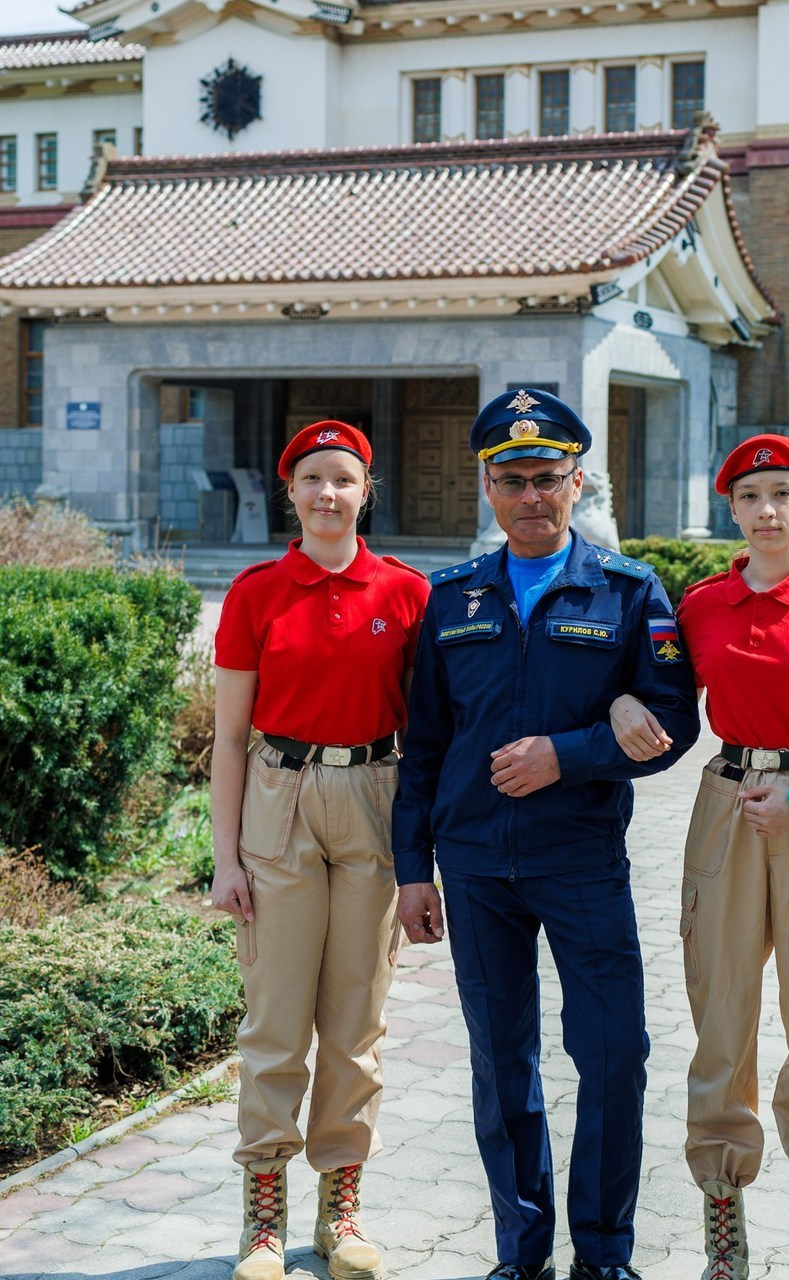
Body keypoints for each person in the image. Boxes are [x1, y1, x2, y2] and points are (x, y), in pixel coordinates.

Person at [392, 388, 701, 1280]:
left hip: (581, 859)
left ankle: (603, 1256)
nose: (532, 496)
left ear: (577, 483)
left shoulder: (628, 591)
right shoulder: (452, 598)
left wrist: (566, 755)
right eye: (513, 480)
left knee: (613, 1055)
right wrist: (413, 869)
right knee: (502, 1061)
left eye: (548, 479)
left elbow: (673, 721)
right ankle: (520, 1254)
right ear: (488, 488)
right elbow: (424, 745)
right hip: (475, 864)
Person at [611, 434, 789, 1280]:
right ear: (731, 510)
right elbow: (656, 694)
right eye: (750, 497)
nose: (767, 511)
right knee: (722, 1012)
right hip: (728, 802)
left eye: (783, 493)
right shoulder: (702, 605)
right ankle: (723, 1219)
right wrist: (624, 699)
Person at [211, 420, 429, 1280]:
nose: (327, 493)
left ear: (367, 490)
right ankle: (262, 1218)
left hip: (374, 795)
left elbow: (428, 734)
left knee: (355, 1023)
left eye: (343, 478)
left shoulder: (406, 593)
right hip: (280, 799)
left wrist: (422, 858)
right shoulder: (257, 593)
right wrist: (226, 859)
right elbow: (230, 739)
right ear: (291, 493)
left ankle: (341, 1209)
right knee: (274, 1022)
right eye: (312, 479)